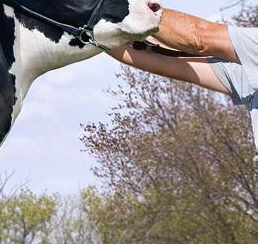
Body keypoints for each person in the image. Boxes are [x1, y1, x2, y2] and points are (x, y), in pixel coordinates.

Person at [106, 8, 258, 148]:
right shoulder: (248, 78)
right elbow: (171, 64)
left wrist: (123, 6)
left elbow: (198, 37)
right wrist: (98, 34)